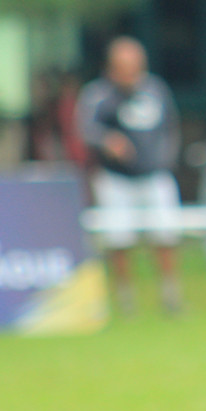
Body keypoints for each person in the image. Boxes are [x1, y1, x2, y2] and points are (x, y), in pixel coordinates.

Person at [76, 36, 184, 315]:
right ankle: (126, 301)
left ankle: (171, 297)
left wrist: (164, 159)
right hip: (116, 179)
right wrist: (107, 141)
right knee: (118, 239)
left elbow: (171, 127)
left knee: (165, 235)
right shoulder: (98, 94)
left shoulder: (155, 89)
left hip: (154, 175)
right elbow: (85, 128)